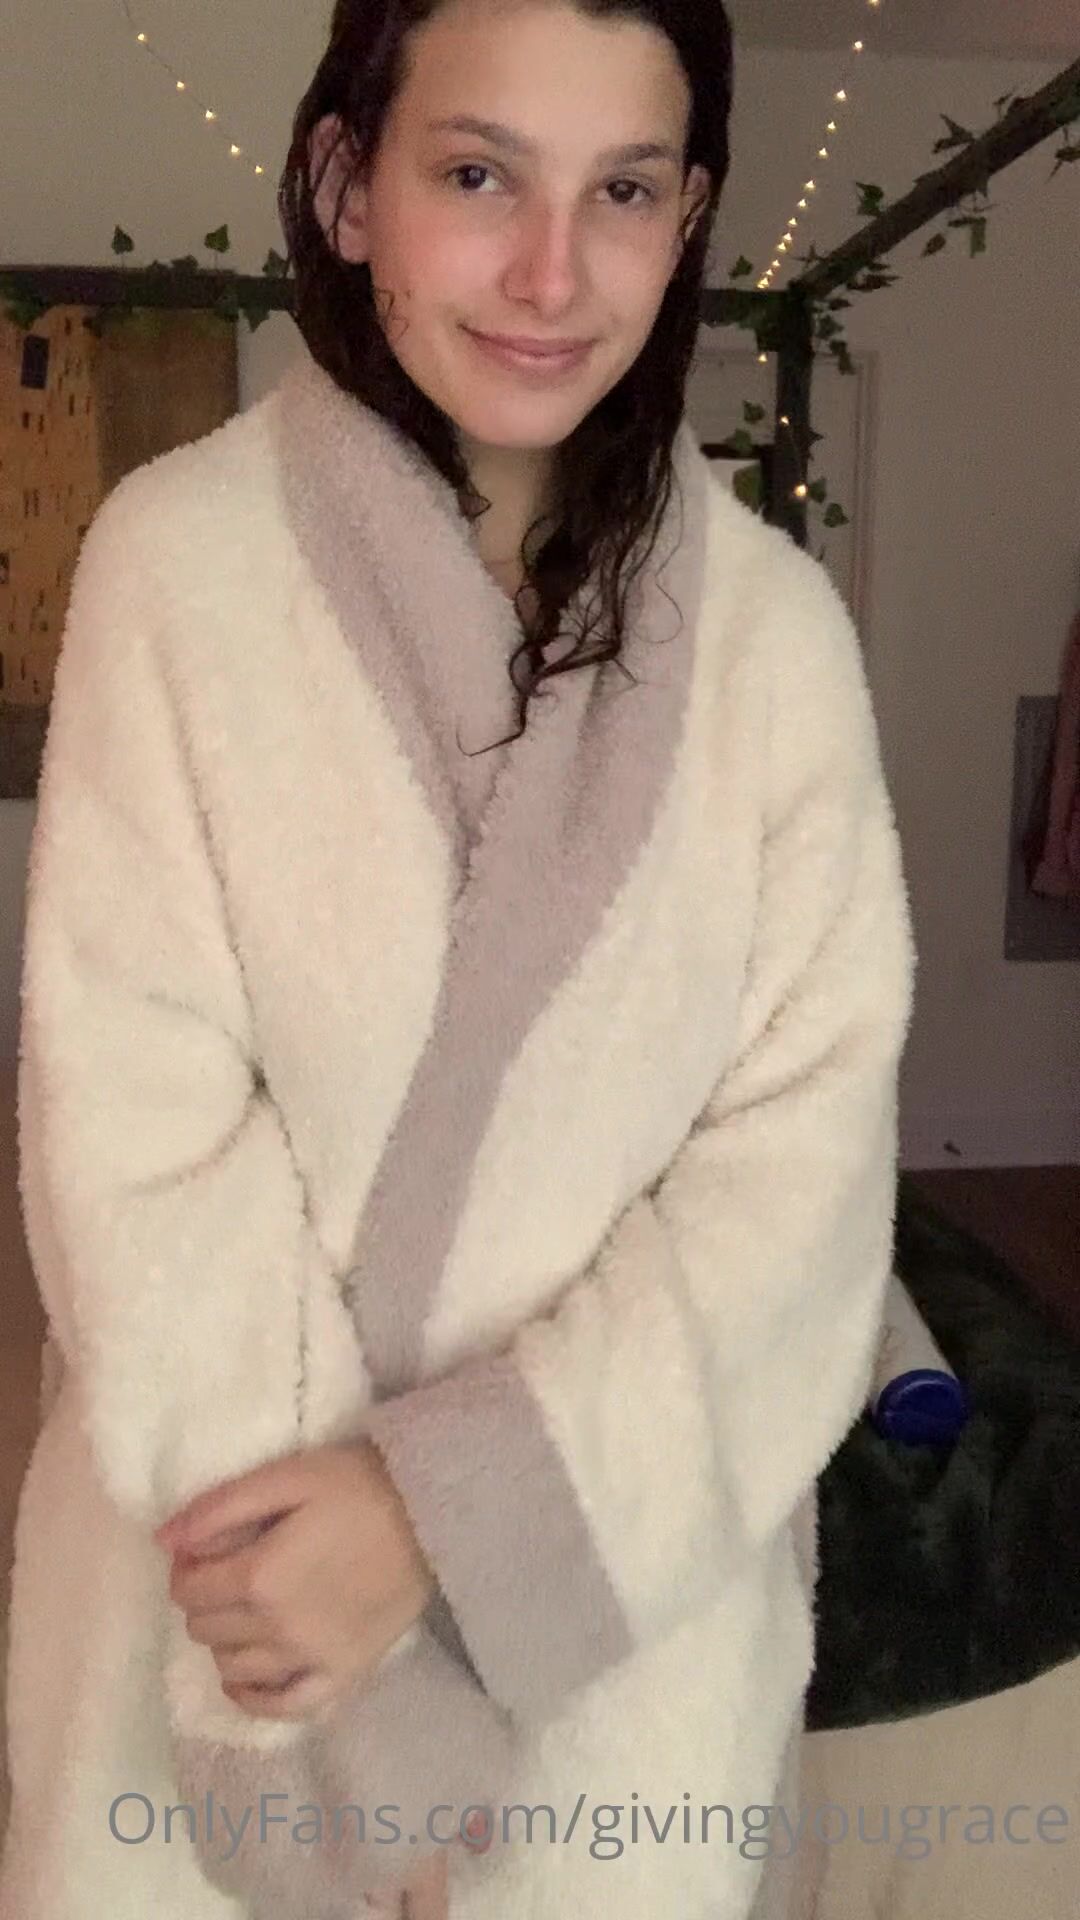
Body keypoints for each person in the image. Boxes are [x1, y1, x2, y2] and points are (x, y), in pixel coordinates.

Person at [0, 0, 917, 1915]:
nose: (552, 274)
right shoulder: (179, 571)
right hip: (229, 1612)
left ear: (690, 222)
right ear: (350, 186)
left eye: (626, 191)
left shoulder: (775, 645)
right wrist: (347, 1681)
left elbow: (804, 1181)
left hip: (617, 1648)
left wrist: (444, 1526)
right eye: (481, 173)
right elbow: (135, 1129)